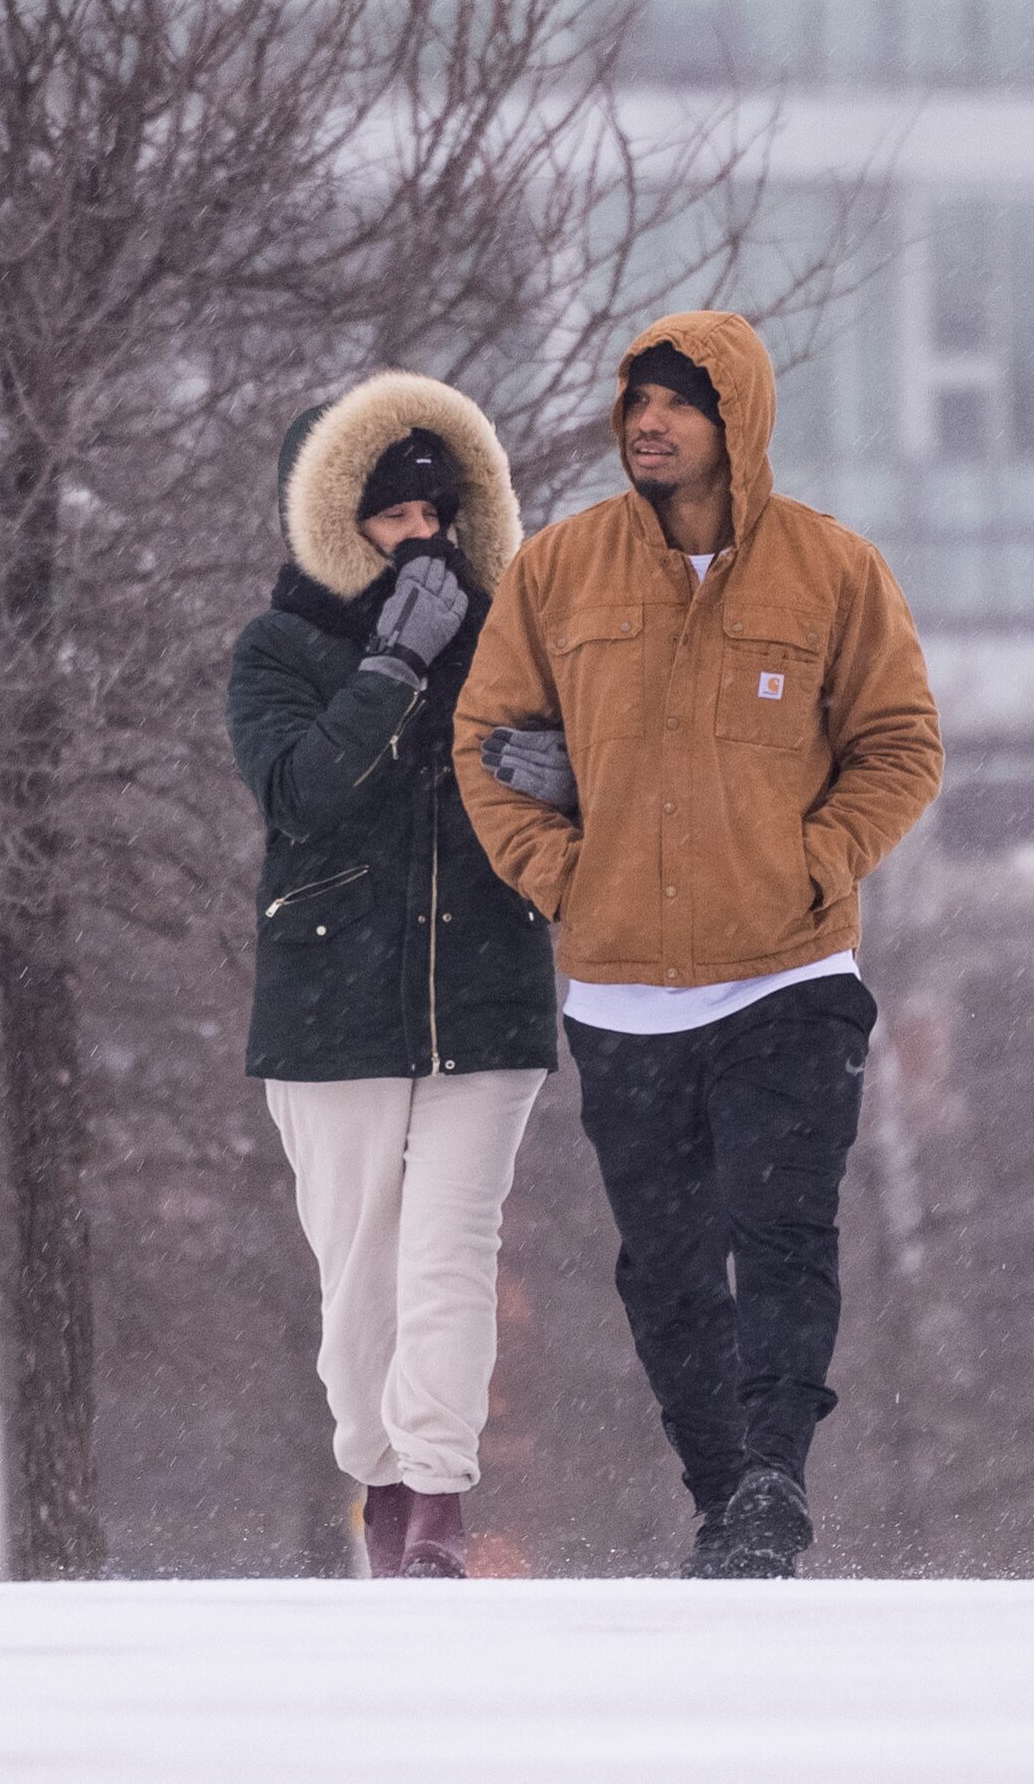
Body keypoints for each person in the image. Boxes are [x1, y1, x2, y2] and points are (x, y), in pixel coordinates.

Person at [455, 312, 942, 1578]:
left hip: (790, 974)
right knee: (665, 1271)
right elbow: (485, 743)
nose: (649, 423)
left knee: (782, 1233)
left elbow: (901, 745)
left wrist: (812, 863)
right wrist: (570, 878)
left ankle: (777, 1476)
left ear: (741, 423)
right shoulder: (560, 571)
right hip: (624, 997)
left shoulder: (833, 571)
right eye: (637, 404)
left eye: (678, 404)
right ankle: (725, 1496)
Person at [227, 372, 556, 1579]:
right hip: (329, 1006)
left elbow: (575, 781)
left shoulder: (510, 639)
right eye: (391, 518)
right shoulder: (275, 651)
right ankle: (375, 1475)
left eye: (435, 518)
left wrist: (565, 779)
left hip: (488, 990)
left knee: (450, 1255)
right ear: (331, 522)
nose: (423, 541)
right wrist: (390, 673)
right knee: (359, 1269)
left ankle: (436, 1507)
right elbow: (300, 795)